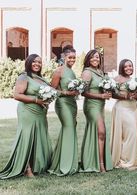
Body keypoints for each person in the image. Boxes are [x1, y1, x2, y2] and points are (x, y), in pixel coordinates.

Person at [0, 54, 52, 179]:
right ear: (28, 62)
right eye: (34, 61)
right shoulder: (24, 77)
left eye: (39, 62)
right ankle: (27, 168)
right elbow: (17, 95)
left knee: (38, 137)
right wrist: (36, 100)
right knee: (27, 137)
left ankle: (37, 165)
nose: (37, 64)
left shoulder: (41, 78)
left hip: (40, 112)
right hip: (28, 111)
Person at [80, 49, 113, 172]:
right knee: (101, 131)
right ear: (88, 59)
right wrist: (100, 96)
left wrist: (107, 92)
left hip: (100, 105)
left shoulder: (101, 73)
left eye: (98, 57)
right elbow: (84, 92)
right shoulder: (87, 73)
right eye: (93, 57)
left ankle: (95, 160)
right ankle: (100, 164)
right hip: (91, 106)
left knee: (100, 132)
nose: (95, 59)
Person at [48, 48, 79, 176]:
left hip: (72, 104)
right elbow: (51, 90)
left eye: (74, 57)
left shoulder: (72, 72)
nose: (72, 60)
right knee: (69, 128)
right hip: (62, 104)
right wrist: (66, 92)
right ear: (64, 57)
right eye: (70, 57)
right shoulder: (59, 71)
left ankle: (63, 161)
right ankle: (65, 165)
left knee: (69, 130)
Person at [110, 59, 137, 170]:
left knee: (132, 133)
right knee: (127, 134)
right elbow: (112, 94)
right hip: (122, 108)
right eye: (126, 66)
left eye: (131, 66)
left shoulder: (135, 80)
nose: (129, 68)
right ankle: (124, 160)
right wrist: (125, 96)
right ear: (122, 67)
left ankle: (132, 159)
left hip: (133, 108)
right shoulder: (116, 79)